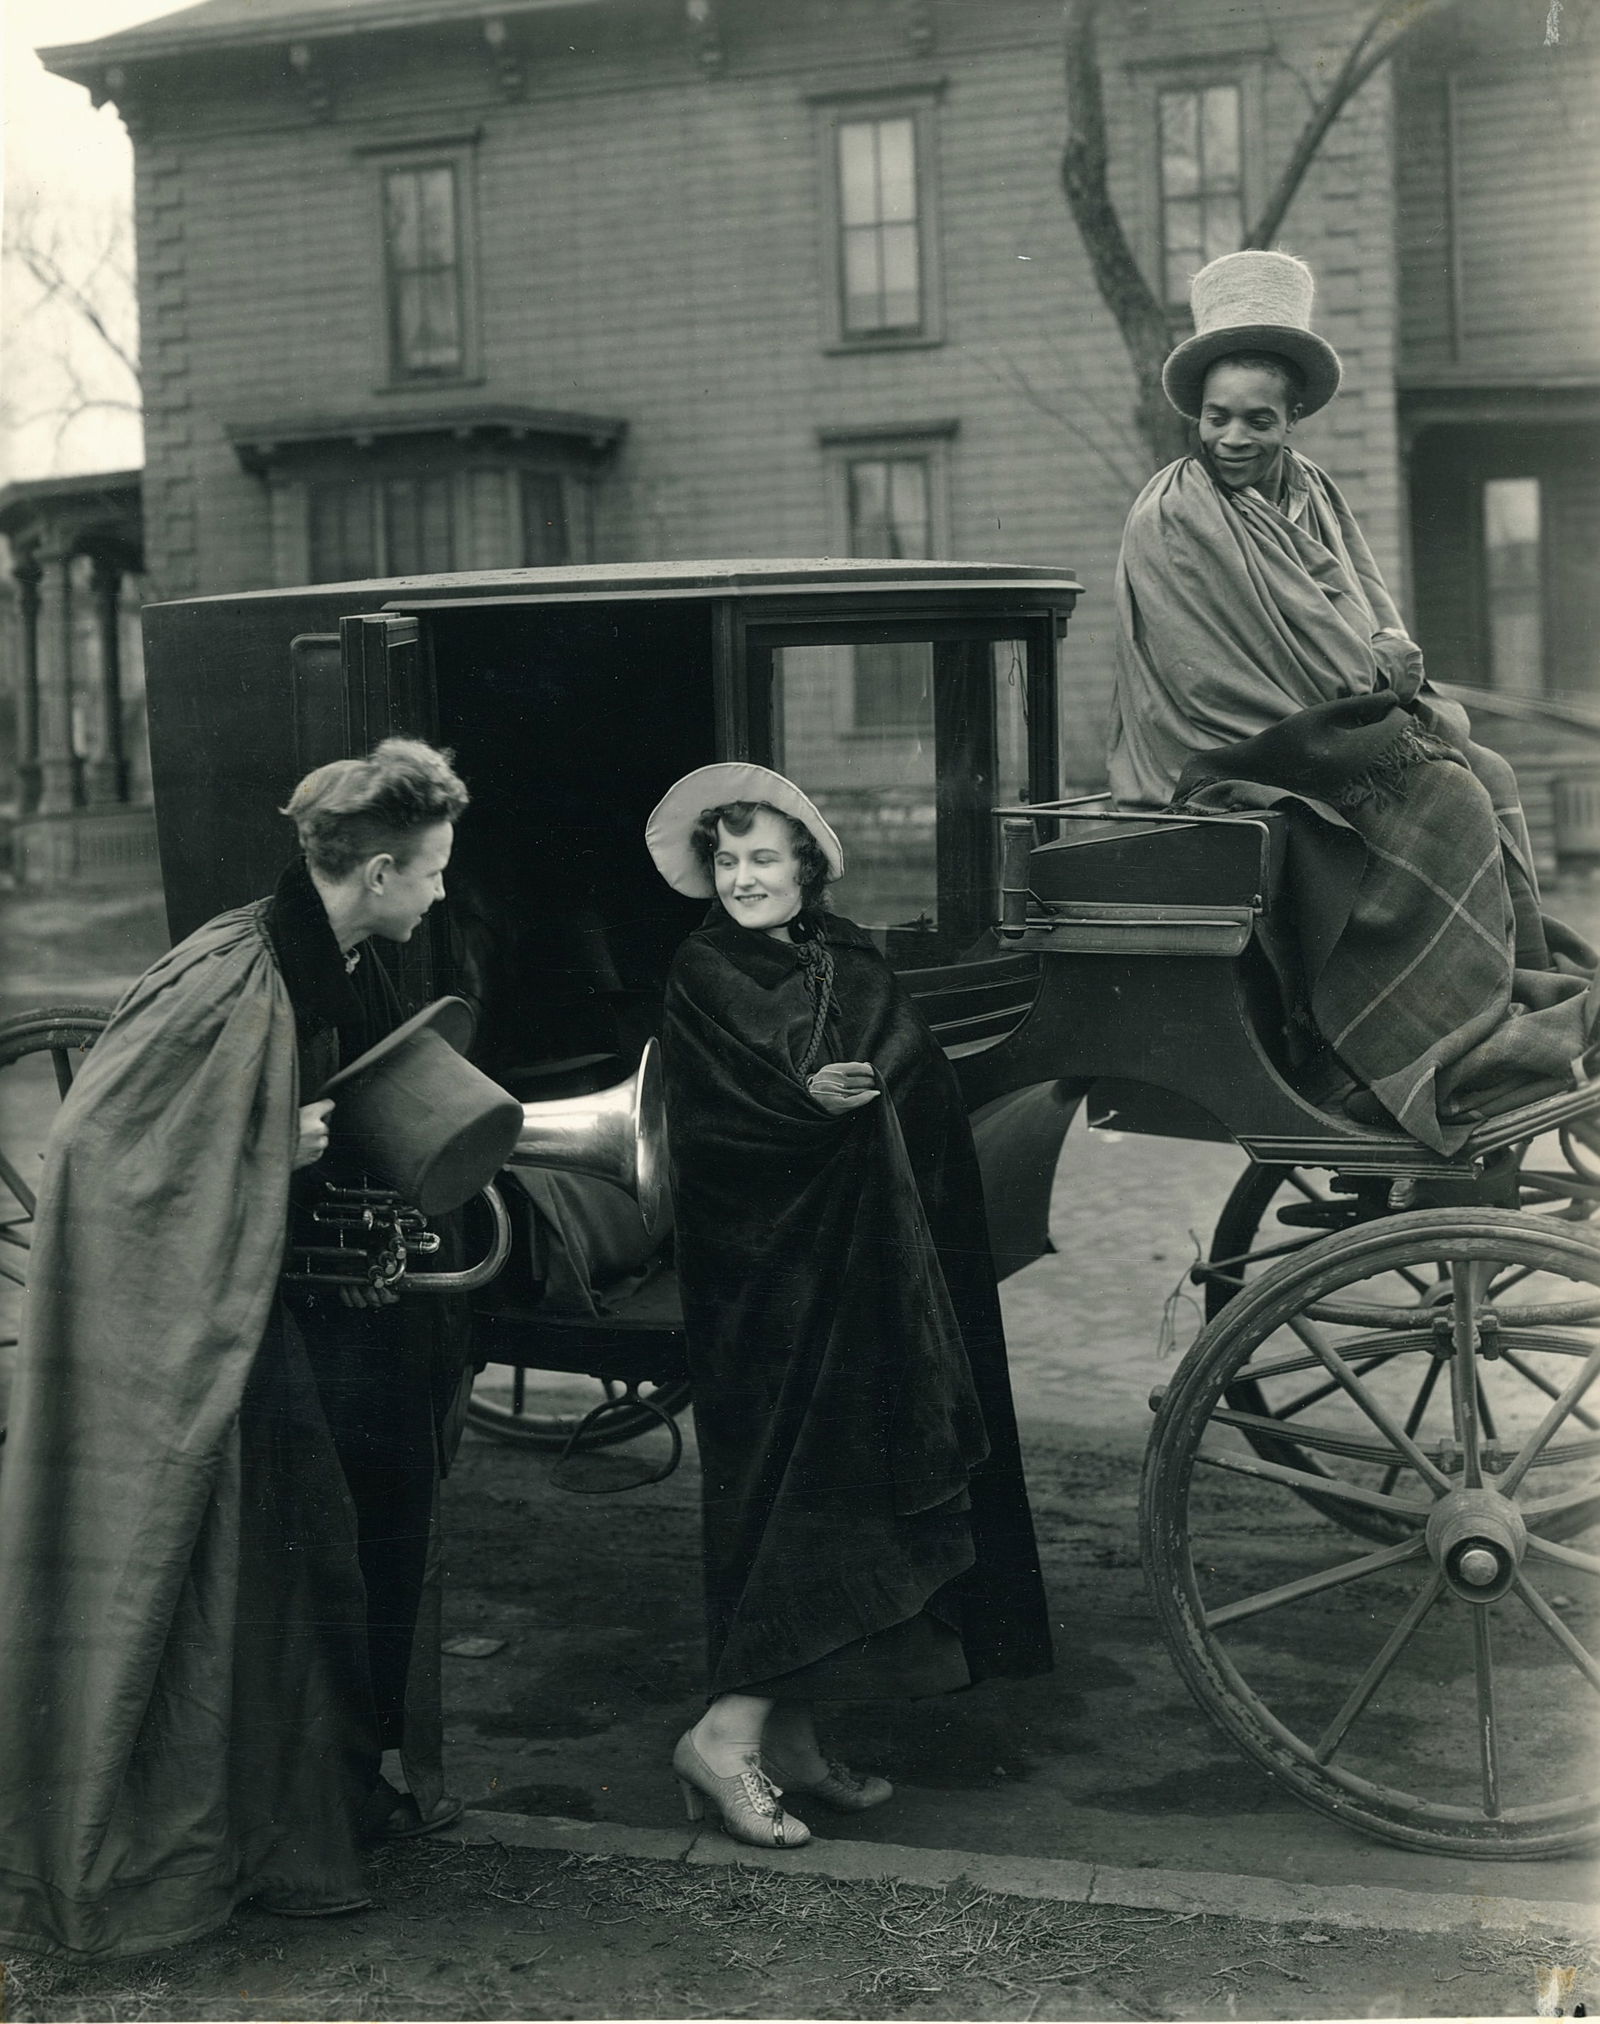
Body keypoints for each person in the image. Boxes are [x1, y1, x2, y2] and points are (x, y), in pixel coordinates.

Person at [0, 737, 470, 1958]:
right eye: (428, 874)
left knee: (365, 1529)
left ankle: (329, 1795)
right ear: (373, 870)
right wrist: (276, 1146)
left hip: (315, 1310)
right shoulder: (225, 969)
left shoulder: (352, 954)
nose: (437, 895)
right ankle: (232, 1830)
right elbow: (101, 1153)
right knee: (261, 1562)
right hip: (235, 1332)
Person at [1106, 249, 1599, 1153]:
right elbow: (1226, 670)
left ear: (1292, 420)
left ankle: (1502, 1000)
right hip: (1238, 750)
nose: (1234, 439)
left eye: (1259, 420)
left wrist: (1391, 656)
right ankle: (1419, 1044)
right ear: (1194, 414)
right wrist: (1372, 675)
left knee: (1481, 765)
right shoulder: (1175, 514)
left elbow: (1367, 609)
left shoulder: (1310, 492)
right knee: (1444, 796)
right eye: (1216, 418)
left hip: (1323, 725)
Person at [645, 763, 1053, 1850]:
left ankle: (789, 1741)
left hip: (867, 1270)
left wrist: (862, 1088)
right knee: (801, 1489)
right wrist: (799, 1102)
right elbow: (715, 1121)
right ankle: (723, 1737)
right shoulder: (705, 971)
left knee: (852, 1478)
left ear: (808, 867)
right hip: (772, 1287)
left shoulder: (846, 954)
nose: (743, 878)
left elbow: (908, 1074)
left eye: (764, 858)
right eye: (726, 861)